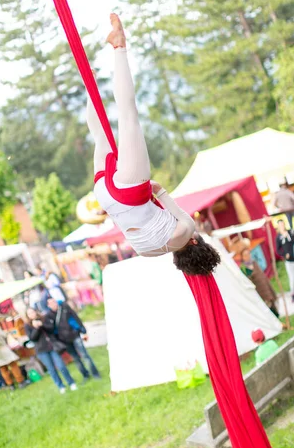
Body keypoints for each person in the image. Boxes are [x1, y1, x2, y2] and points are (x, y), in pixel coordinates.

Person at [87, 14, 220, 275]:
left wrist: (155, 190)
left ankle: (119, 46)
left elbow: (161, 194)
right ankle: (89, 82)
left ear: (197, 242)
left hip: (131, 194)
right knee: (100, 135)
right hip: (106, 197)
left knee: (128, 117)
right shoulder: (147, 253)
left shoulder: (188, 231)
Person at [44, 298, 101, 381]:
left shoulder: (64, 307)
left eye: (54, 302)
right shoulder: (49, 316)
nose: (54, 304)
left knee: (85, 355)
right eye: (51, 303)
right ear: (48, 306)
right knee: (76, 359)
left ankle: (95, 374)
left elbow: (75, 317)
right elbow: (50, 330)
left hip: (74, 335)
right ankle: (85, 375)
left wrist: (83, 329)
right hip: (64, 340)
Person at [25, 307, 77, 393]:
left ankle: (71, 382)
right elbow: (32, 338)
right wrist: (36, 328)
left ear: (35, 312)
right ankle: (61, 386)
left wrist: (42, 325)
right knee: (51, 369)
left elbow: (51, 329)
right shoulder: (27, 325)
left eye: (32, 312)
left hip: (52, 347)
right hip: (42, 351)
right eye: (29, 313)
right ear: (27, 316)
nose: (32, 314)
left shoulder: (43, 318)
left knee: (61, 366)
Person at [0, 319, 30, 390]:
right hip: (3, 349)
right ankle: (20, 382)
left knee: (3, 370)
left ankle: (11, 385)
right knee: (13, 366)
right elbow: (4, 335)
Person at [240, 249, 279, 317]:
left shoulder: (254, 263)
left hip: (264, 285)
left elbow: (261, 275)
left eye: (248, 254)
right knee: (266, 306)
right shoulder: (244, 268)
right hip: (258, 290)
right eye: (245, 255)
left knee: (271, 301)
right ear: (242, 257)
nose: (247, 256)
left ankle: (277, 316)